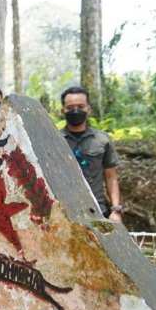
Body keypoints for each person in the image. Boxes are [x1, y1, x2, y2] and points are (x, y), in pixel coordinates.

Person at [60, 86, 123, 223]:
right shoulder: (54, 140)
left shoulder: (102, 140)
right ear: (63, 111)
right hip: (63, 212)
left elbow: (111, 176)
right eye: (70, 107)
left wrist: (116, 210)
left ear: (88, 109)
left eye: (80, 106)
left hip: (97, 210)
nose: (75, 111)